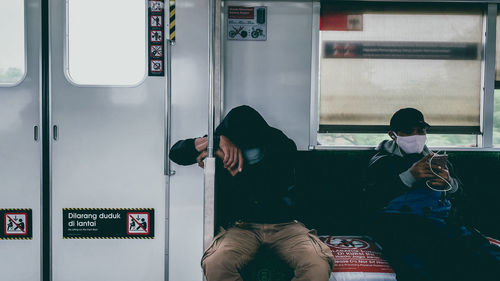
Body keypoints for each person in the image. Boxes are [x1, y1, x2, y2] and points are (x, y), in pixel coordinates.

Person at [170, 105, 333, 281]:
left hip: (285, 225)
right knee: (216, 262)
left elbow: (266, 194)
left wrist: (238, 171)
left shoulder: (280, 145)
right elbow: (176, 153)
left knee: (317, 263)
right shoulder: (221, 142)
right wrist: (215, 141)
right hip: (242, 227)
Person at [366, 108, 500, 281]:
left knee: (485, 255)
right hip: (402, 225)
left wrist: (449, 184)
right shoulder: (381, 162)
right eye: (408, 131)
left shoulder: (438, 161)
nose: (416, 136)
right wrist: (409, 176)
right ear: (393, 134)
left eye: (420, 130)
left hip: (444, 222)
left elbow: (464, 199)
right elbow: (371, 201)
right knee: (425, 259)